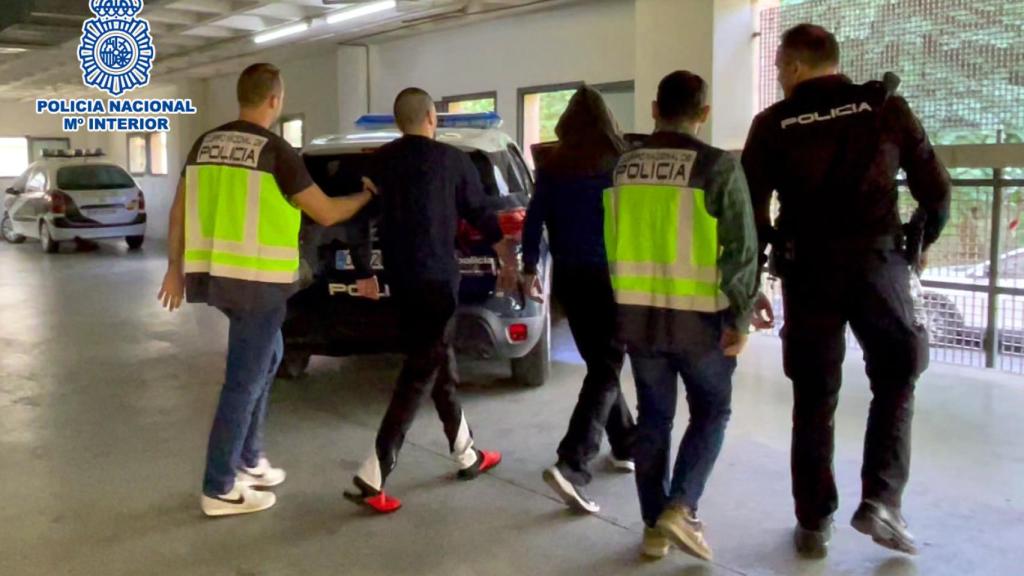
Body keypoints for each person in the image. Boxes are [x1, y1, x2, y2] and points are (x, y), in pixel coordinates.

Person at [742, 24, 951, 557]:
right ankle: (881, 500)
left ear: (792, 67)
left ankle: (813, 523)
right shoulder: (885, 107)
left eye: (777, 68)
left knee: (813, 398)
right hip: (878, 264)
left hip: (807, 270)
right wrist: (919, 244)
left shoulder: (772, 124)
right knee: (900, 371)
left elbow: (749, 211)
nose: (777, 76)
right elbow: (937, 190)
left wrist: (763, 264)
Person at [158, 63, 376, 517]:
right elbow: (329, 213)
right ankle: (219, 487)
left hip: (219, 278)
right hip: (258, 286)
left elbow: (179, 208)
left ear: (242, 96)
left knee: (269, 357)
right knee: (242, 382)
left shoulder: (205, 143)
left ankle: (250, 458)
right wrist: (366, 196)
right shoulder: (276, 151)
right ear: (274, 99)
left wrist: (175, 267)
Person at [605, 71, 758, 561]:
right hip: (701, 321)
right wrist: (742, 316)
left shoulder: (622, 167)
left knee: (654, 417)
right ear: (704, 114)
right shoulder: (717, 167)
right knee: (712, 410)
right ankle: (682, 507)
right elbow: (741, 250)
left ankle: (654, 528)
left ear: (654, 109)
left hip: (638, 316)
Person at [345, 88, 518, 513]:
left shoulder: (379, 163)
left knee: (439, 365)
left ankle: (467, 453)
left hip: (402, 283)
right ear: (430, 117)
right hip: (439, 284)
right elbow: (480, 214)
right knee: (420, 371)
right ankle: (374, 472)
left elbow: (359, 221)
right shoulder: (454, 162)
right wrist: (506, 255)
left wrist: (366, 271)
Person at [521, 85, 636, 514]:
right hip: (612, 279)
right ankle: (572, 462)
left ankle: (627, 442)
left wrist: (531, 269)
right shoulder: (620, 165)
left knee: (601, 364)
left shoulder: (553, 166)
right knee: (606, 367)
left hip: (570, 280)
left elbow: (534, 223)